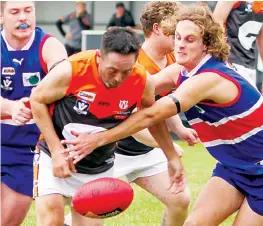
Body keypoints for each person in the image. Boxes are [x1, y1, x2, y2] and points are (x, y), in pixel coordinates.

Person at [62, 4, 263, 226]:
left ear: (207, 44)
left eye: (190, 39)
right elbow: (139, 88)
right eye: (177, 37)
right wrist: (79, 87)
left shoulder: (210, 78)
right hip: (233, 166)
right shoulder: (182, 70)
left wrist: (98, 139)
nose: (180, 45)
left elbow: (152, 115)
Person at [30, 27, 184, 226]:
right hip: (53, 156)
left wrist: (171, 156)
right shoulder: (72, 70)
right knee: (52, 218)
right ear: (99, 57)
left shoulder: (142, 80)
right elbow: (37, 100)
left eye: (126, 71)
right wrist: (56, 150)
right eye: (112, 70)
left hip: (98, 165)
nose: (119, 78)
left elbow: (151, 117)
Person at [113, 2, 199, 226]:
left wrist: (179, 128)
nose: (180, 37)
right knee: (90, 214)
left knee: (180, 200)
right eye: (176, 31)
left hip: (146, 152)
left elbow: (162, 104)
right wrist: (166, 147)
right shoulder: (134, 65)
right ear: (158, 29)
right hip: (113, 151)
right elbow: (135, 125)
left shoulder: (172, 59)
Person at [0, 1, 67, 226]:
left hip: (27, 150)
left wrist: (37, 100)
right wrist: (10, 107)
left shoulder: (49, 46)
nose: (23, 17)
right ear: (1, 17)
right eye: (15, 12)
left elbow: (65, 81)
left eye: (28, 11)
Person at [213, 1, 263, 88]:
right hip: (229, 62)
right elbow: (215, 25)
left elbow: (261, 38)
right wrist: (222, 59)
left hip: (250, 65)